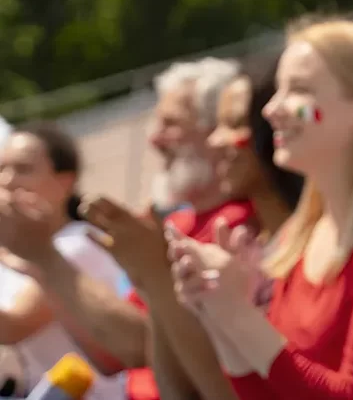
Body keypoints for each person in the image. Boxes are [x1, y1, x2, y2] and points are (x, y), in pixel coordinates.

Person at [167, 20, 353, 400]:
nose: (272, 109)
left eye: (300, 90)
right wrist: (220, 310)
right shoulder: (299, 235)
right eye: (278, 90)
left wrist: (239, 317)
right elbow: (263, 392)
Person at [0, 58, 249, 400]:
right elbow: (114, 356)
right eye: (2, 169)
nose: (154, 139)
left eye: (171, 123)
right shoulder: (175, 225)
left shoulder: (238, 229)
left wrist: (44, 257)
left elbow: (137, 348)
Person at [81, 55, 304, 400]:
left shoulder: (237, 235)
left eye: (231, 122)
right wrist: (150, 277)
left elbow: (222, 391)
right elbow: (176, 389)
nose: (219, 140)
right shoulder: (247, 242)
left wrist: (156, 276)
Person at [0, 123, 125, 400]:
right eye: (1, 169)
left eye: (22, 169)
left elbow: (11, 327)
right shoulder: (17, 251)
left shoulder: (81, 244)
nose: (7, 180)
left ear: (65, 182)